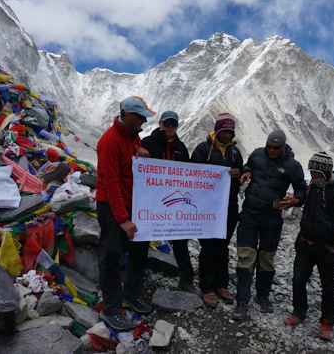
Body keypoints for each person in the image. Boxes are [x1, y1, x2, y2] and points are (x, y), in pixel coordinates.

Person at [232, 130, 307, 321]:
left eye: (275, 148)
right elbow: (248, 165)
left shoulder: (293, 165)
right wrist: (247, 171)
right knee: (245, 257)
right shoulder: (257, 154)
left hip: (272, 217)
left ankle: (263, 296)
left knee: (266, 258)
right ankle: (242, 300)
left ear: (283, 147)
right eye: (269, 147)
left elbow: (301, 190)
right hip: (249, 213)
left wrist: (295, 201)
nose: (271, 150)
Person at [96, 96, 156, 331]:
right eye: (140, 117)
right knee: (111, 257)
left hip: (133, 204)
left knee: (139, 251)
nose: (144, 121)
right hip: (113, 207)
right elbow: (111, 184)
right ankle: (110, 309)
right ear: (127, 114)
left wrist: (140, 153)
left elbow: (129, 167)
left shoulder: (133, 136)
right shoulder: (110, 141)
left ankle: (131, 294)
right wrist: (123, 220)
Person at [284, 152, 334, 341]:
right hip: (305, 243)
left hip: (327, 247)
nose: (312, 176)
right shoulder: (311, 188)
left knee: (327, 285)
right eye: (311, 172)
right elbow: (302, 206)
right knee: (298, 280)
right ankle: (299, 313)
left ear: (325, 172)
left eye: (316, 173)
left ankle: (327, 322)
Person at [191, 113, 244, 309]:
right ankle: (207, 287)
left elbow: (242, 174)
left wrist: (240, 174)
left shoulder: (235, 153)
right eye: (224, 131)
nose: (227, 134)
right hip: (206, 207)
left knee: (223, 245)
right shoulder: (202, 150)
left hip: (229, 205)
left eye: (230, 131)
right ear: (217, 130)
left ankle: (222, 284)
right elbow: (191, 175)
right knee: (209, 246)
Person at [141, 111, 196, 294]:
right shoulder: (147, 143)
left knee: (180, 241)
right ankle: (137, 281)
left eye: (174, 123)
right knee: (143, 239)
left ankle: (186, 280)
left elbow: (189, 174)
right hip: (151, 201)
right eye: (167, 122)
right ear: (160, 123)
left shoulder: (181, 147)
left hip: (174, 203)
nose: (170, 126)